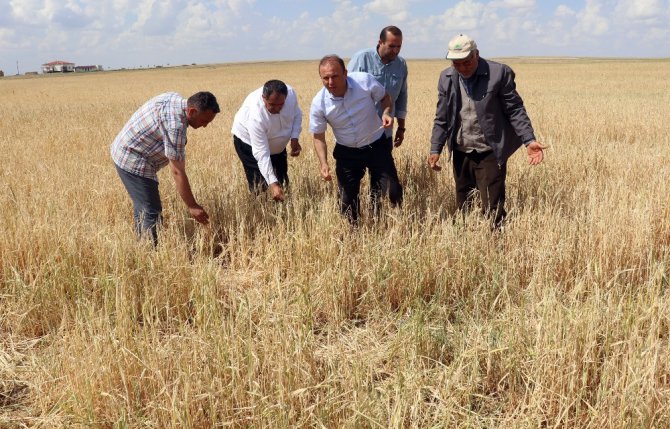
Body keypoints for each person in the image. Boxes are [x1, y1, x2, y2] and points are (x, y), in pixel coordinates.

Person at [428, 34, 545, 227]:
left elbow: (514, 109)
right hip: (461, 150)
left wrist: (529, 140)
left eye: (466, 62)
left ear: (477, 55)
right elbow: (442, 117)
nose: (462, 68)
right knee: (464, 203)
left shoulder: (499, 73)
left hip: (489, 150)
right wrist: (435, 149)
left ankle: (496, 243)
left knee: (493, 206)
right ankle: (468, 243)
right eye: (456, 63)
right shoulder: (446, 78)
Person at [111, 91, 219, 245]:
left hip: (124, 147)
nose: (205, 125)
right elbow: (177, 171)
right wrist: (192, 206)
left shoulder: (174, 98)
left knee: (143, 206)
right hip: (132, 159)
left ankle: (141, 242)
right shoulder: (176, 127)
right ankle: (148, 253)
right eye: (204, 120)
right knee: (150, 211)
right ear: (192, 111)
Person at [310, 55, 394, 224]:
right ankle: (353, 231)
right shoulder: (319, 103)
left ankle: (378, 223)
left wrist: (385, 113)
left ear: (345, 73)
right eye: (325, 78)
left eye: (335, 76)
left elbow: (385, 97)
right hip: (346, 151)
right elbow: (318, 136)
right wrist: (323, 163)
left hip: (376, 145)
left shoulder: (364, 81)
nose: (330, 82)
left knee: (388, 190)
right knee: (347, 199)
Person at [348, 25, 407, 208]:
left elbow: (402, 96)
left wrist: (401, 127)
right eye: (391, 46)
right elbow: (347, 93)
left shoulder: (401, 64)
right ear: (380, 42)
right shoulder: (361, 59)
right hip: (359, 134)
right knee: (351, 186)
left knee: (385, 185)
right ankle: (353, 223)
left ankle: (377, 216)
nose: (395, 51)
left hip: (384, 133)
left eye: (399, 46)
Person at [231, 79, 302, 201]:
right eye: (272, 105)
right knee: (260, 186)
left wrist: (294, 137)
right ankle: (263, 212)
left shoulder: (290, 94)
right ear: (264, 98)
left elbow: (297, 114)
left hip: (276, 144)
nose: (277, 109)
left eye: (281, 105)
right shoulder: (256, 115)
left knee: (281, 179)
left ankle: (282, 209)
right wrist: (273, 184)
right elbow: (261, 153)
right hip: (249, 143)